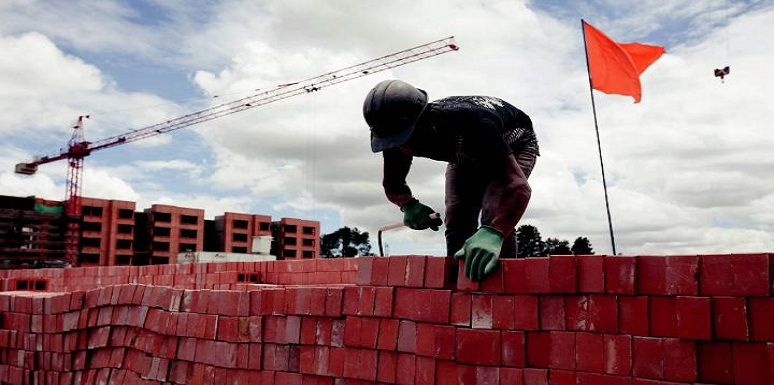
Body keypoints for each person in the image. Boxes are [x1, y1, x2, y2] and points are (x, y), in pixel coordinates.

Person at [363, 79, 538, 281]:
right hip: (464, 151)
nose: (404, 147)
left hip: (513, 141)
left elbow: (515, 186)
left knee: (495, 212)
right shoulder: (389, 133)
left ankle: (504, 283)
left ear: (423, 120)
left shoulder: (472, 122)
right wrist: (408, 204)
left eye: (406, 137)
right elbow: (393, 183)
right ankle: (457, 284)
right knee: (457, 215)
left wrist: (494, 231)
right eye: (396, 141)